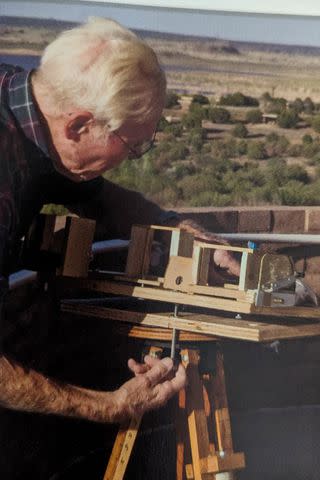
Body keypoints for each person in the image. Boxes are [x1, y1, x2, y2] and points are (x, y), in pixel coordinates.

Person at [0, 17, 239, 425]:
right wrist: (107, 405)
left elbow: (99, 198)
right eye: (132, 146)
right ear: (77, 125)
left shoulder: (34, 108)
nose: (133, 159)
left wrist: (178, 229)